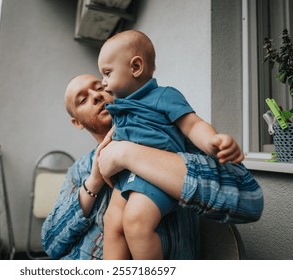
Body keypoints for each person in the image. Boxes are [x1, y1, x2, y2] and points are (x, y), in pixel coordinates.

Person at [41, 74, 263, 260]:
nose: (97, 95)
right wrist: (94, 182)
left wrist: (126, 154)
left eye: (100, 87)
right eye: (83, 99)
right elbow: (51, 243)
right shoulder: (80, 169)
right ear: (77, 123)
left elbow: (249, 200)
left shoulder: (174, 141)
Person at [96, 30, 262, 260]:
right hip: (127, 177)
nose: (103, 83)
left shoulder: (164, 96)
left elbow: (193, 125)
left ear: (135, 67)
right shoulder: (121, 107)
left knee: (136, 222)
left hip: (153, 174)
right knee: (112, 222)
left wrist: (213, 141)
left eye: (107, 73)